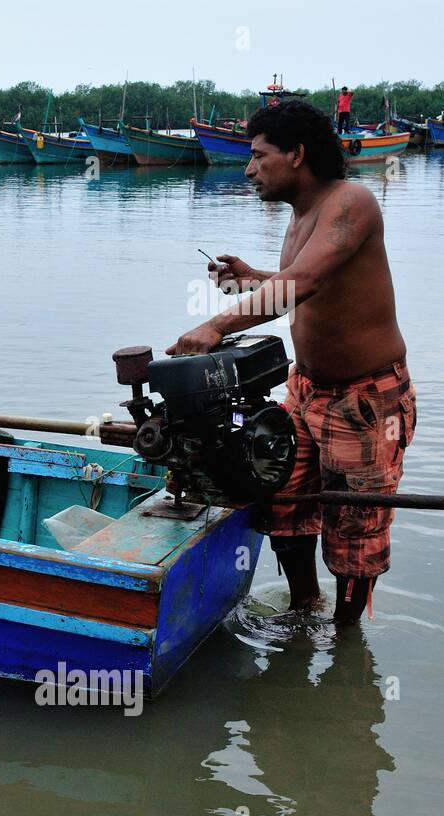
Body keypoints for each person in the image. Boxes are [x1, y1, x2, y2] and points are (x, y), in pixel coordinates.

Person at [169, 98, 414, 625]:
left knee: (355, 530)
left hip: (365, 399)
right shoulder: (302, 215)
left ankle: (346, 643)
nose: (249, 169)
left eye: (258, 156)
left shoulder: (351, 202)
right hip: (305, 390)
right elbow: (301, 286)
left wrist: (216, 325)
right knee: (282, 499)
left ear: (297, 154)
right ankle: (305, 611)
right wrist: (254, 277)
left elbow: (304, 282)